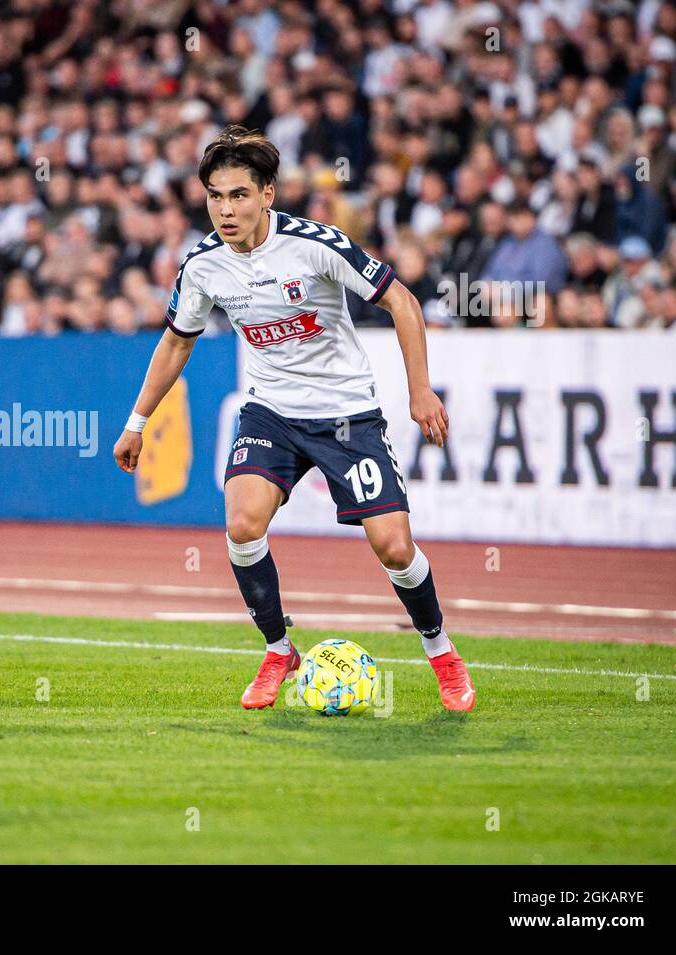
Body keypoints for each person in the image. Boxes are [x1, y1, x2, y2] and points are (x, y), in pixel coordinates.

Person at [112, 126, 475, 712]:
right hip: (272, 412)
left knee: (395, 549)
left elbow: (401, 301)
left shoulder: (316, 245)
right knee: (242, 525)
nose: (225, 210)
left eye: (238, 195)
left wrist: (420, 390)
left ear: (268, 195)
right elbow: (177, 342)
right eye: (214, 196)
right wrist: (136, 421)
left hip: (345, 415)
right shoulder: (203, 265)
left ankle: (441, 651)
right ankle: (280, 649)